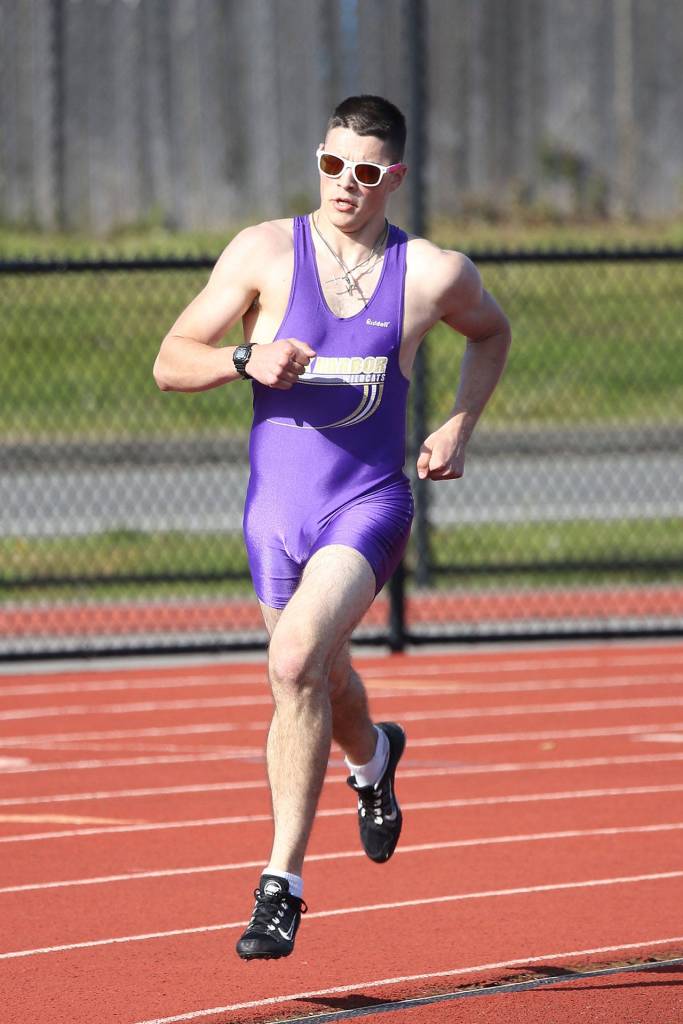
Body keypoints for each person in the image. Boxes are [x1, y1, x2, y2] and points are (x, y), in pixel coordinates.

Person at [153, 94, 511, 961]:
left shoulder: (429, 272)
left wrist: (458, 424)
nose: (342, 186)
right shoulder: (264, 251)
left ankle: (281, 884)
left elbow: (490, 332)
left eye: (362, 173)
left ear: (392, 177)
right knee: (323, 680)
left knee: (291, 662)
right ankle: (375, 759)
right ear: (317, 159)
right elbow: (170, 361)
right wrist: (245, 358)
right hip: (274, 515)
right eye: (329, 166)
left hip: (368, 503)